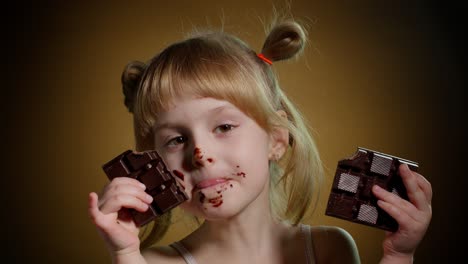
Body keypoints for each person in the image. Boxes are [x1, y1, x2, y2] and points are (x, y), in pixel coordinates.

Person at [88, 18, 432, 264]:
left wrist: (399, 255)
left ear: (276, 138)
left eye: (223, 126)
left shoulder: (328, 249)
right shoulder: (151, 261)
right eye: (177, 139)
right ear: (155, 164)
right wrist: (125, 254)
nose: (200, 153)